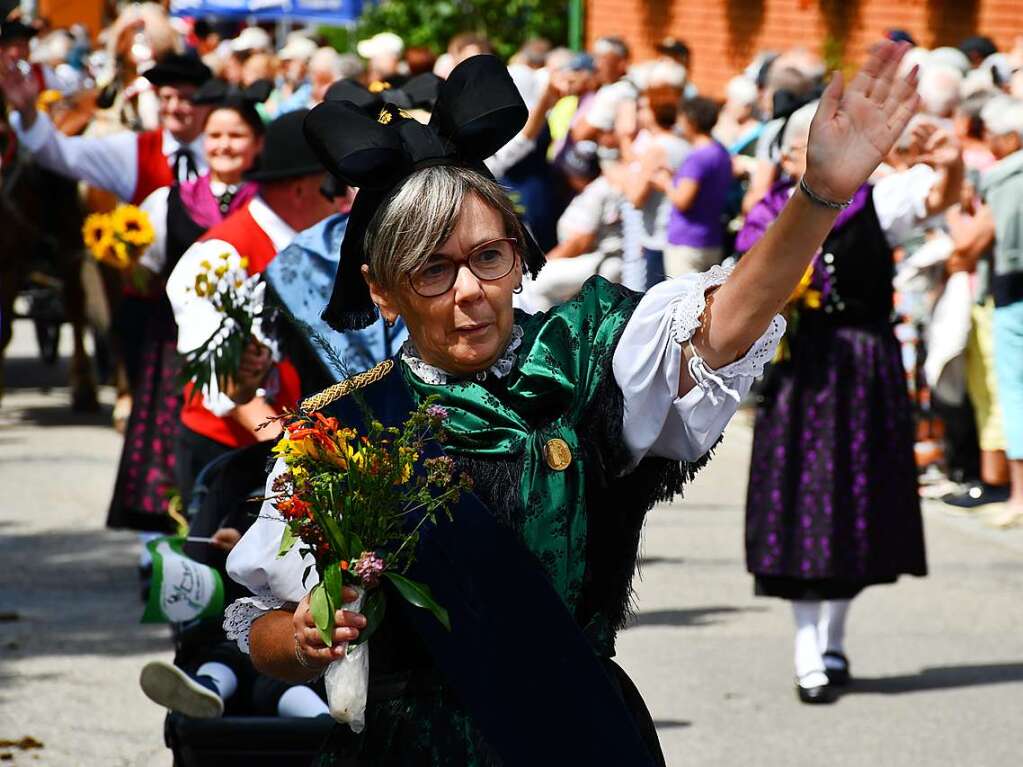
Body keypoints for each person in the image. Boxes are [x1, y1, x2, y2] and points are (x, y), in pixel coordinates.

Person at [220, 44, 922, 763]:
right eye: (432, 269)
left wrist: (818, 197)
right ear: (381, 288)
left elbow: (722, 325)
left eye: (488, 257)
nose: (469, 291)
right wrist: (304, 638)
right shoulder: (344, 430)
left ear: (517, 254)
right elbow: (259, 624)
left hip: (576, 734)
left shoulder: (584, 358)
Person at [739, 95, 952, 704]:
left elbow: (936, 195)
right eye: (809, 147)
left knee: (854, 509)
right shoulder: (767, 216)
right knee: (803, 510)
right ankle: (809, 650)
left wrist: (948, 157)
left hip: (861, 367)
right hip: (802, 371)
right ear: (786, 160)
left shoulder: (875, 204)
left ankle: (832, 638)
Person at [106, 79, 269, 533]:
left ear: (257, 144)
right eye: (215, 136)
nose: (223, 145)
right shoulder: (171, 201)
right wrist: (125, 258)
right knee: (170, 463)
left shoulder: (270, 206)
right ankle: (163, 558)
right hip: (179, 353)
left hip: (257, 360)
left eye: (236, 136)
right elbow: (143, 277)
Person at [165, 109, 336, 506]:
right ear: (300, 190)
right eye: (335, 185)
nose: (345, 198)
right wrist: (290, 451)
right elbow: (223, 384)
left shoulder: (314, 246)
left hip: (298, 448)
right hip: (234, 459)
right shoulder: (218, 258)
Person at [2, 51, 212, 204]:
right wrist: (28, 110)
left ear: (208, 103)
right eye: (167, 98)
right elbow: (62, 153)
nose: (174, 108)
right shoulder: (134, 150)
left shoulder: (223, 151)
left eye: (186, 99)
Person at [656, 96, 732, 277]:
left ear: (691, 121)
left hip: (687, 243)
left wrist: (665, 183)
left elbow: (683, 201)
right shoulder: (721, 152)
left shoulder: (698, 157)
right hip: (711, 239)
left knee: (683, 302)